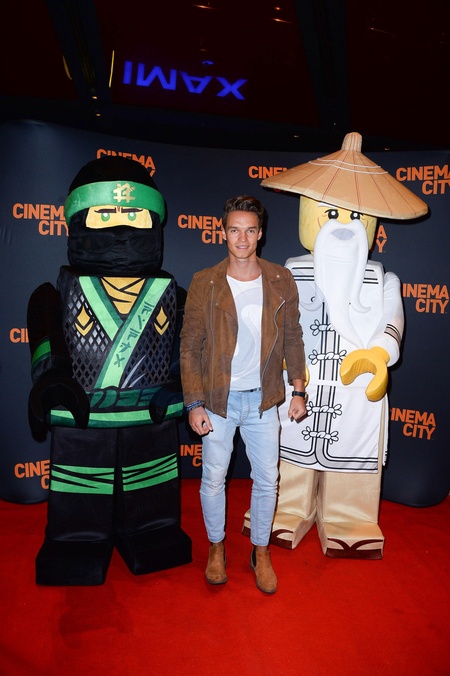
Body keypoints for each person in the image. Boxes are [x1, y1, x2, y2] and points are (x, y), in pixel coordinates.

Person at [180, 195, 307, 594]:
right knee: (213, 478)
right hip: (218, 400)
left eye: (250, 230)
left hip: (263, 400)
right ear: (223, 232)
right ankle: (216, 547)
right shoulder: (205, 282)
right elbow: (190, 346)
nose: (242, 238)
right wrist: (193, 402)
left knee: (268, 480)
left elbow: (292, 337)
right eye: (234, 230)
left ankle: (261, 551)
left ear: (260, 234)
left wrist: (299, 389)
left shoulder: (280, 279)